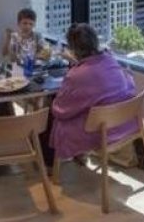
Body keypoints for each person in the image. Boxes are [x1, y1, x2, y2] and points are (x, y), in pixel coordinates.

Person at [48, 24, 138, 166]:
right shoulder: (111, 60)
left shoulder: (77, 75)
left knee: (59, 119)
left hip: (102, 132)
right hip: (125, 124)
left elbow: (60, 110)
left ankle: (51, 163)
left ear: (73, 48)